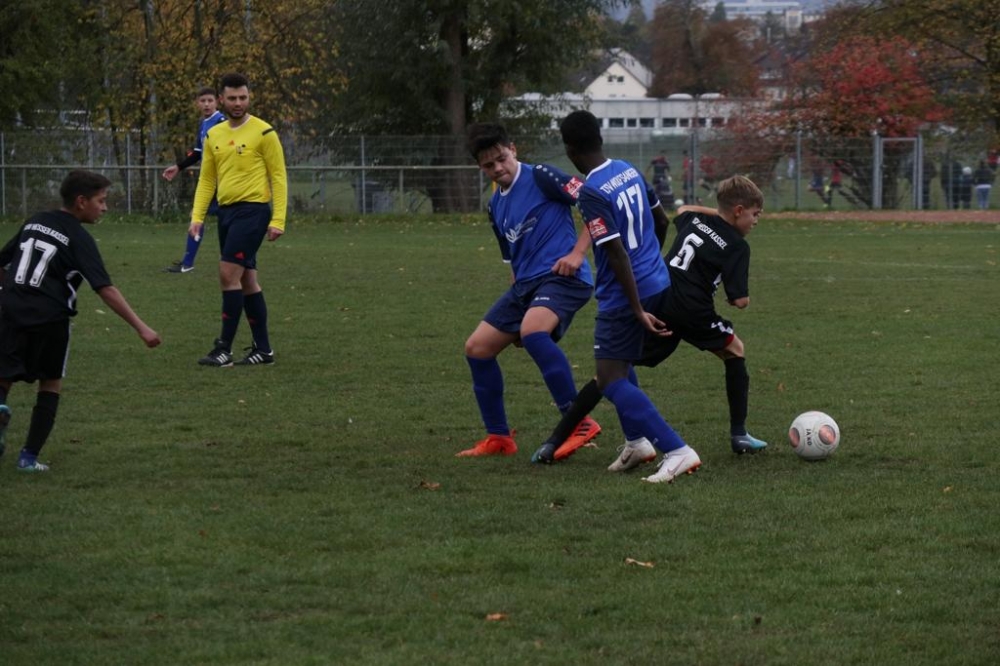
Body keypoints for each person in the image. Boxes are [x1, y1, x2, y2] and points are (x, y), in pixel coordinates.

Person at [534, 176, 769, 472]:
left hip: (661, 299)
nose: (756, 221)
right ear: (738, 210)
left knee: (614, 369)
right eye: (755, 214)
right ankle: (739, 435)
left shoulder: (693, 220)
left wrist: (720, 214)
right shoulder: (737, 246)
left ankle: (554, 441)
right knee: (735, 349)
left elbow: (683, 210)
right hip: (693, 311)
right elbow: (740, 301)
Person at [533, 110, 701, 484]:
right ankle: (637, 443)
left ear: (569, 148)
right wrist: (650, 263)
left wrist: (636, 307)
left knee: (609, 379)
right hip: (656, 281)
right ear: (600, 138)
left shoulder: (591, 192)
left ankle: (676, 449)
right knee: (620, 365)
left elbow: (614, 252)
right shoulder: (628, 169)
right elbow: (661, 221)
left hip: (624, 297)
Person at [456, 123, 601, 458]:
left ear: (513, 149)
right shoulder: (495, 205)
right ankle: (499, 438)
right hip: (526, 286)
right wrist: (521, 300)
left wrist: (578, 254)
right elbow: (512, 258)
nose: (497, 168)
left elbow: (596, 202)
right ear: (481, 168)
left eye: (501, 159)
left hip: (563, 277)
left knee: (533, 332)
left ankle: (578, 420)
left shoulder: (541, 176)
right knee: (477, 348)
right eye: (488, 165)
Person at [0, 171, 161, 472]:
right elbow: (105, 288)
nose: (105, 208)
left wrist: (8, 291)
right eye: (101, 201)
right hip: (50, 317)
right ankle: (28, 458)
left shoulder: (35, 220)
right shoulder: (79, 238)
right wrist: (142, 328)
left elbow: (3, 260)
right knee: (51, 383)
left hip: (10, 309)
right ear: (81, 201)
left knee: (3, 375)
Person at [190, 72, 287, 367]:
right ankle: (264, 350)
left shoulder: (264, 132)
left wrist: (279, 219)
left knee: (227, 274)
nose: (238, 103)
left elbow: (278, 176)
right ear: (222, 99)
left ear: (249, 97)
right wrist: (197, 216)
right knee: (246, 280)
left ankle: (224, 349)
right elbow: (207, 179)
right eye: (232, 98)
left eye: (243, 97)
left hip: (253, 212)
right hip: (227, 213)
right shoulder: (214, 134)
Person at [162, 86, 227, 273]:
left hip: (221, 180)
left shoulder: (222, 122)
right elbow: (198, 153)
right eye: (203, 101)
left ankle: (191, 263)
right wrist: (179, 167)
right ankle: (190, 262)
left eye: (210, 101)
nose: (206, 104)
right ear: (197, 103)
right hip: (211, 180)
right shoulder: (204, 123)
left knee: (204, 216)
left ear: (217, 102)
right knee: (206, 216)